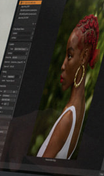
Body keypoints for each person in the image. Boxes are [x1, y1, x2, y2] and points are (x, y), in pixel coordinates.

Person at [37, 14, 100, 159]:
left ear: (84, 57)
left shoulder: (68, 118)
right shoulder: (81, 108)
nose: (63, 65)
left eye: (70, 56)